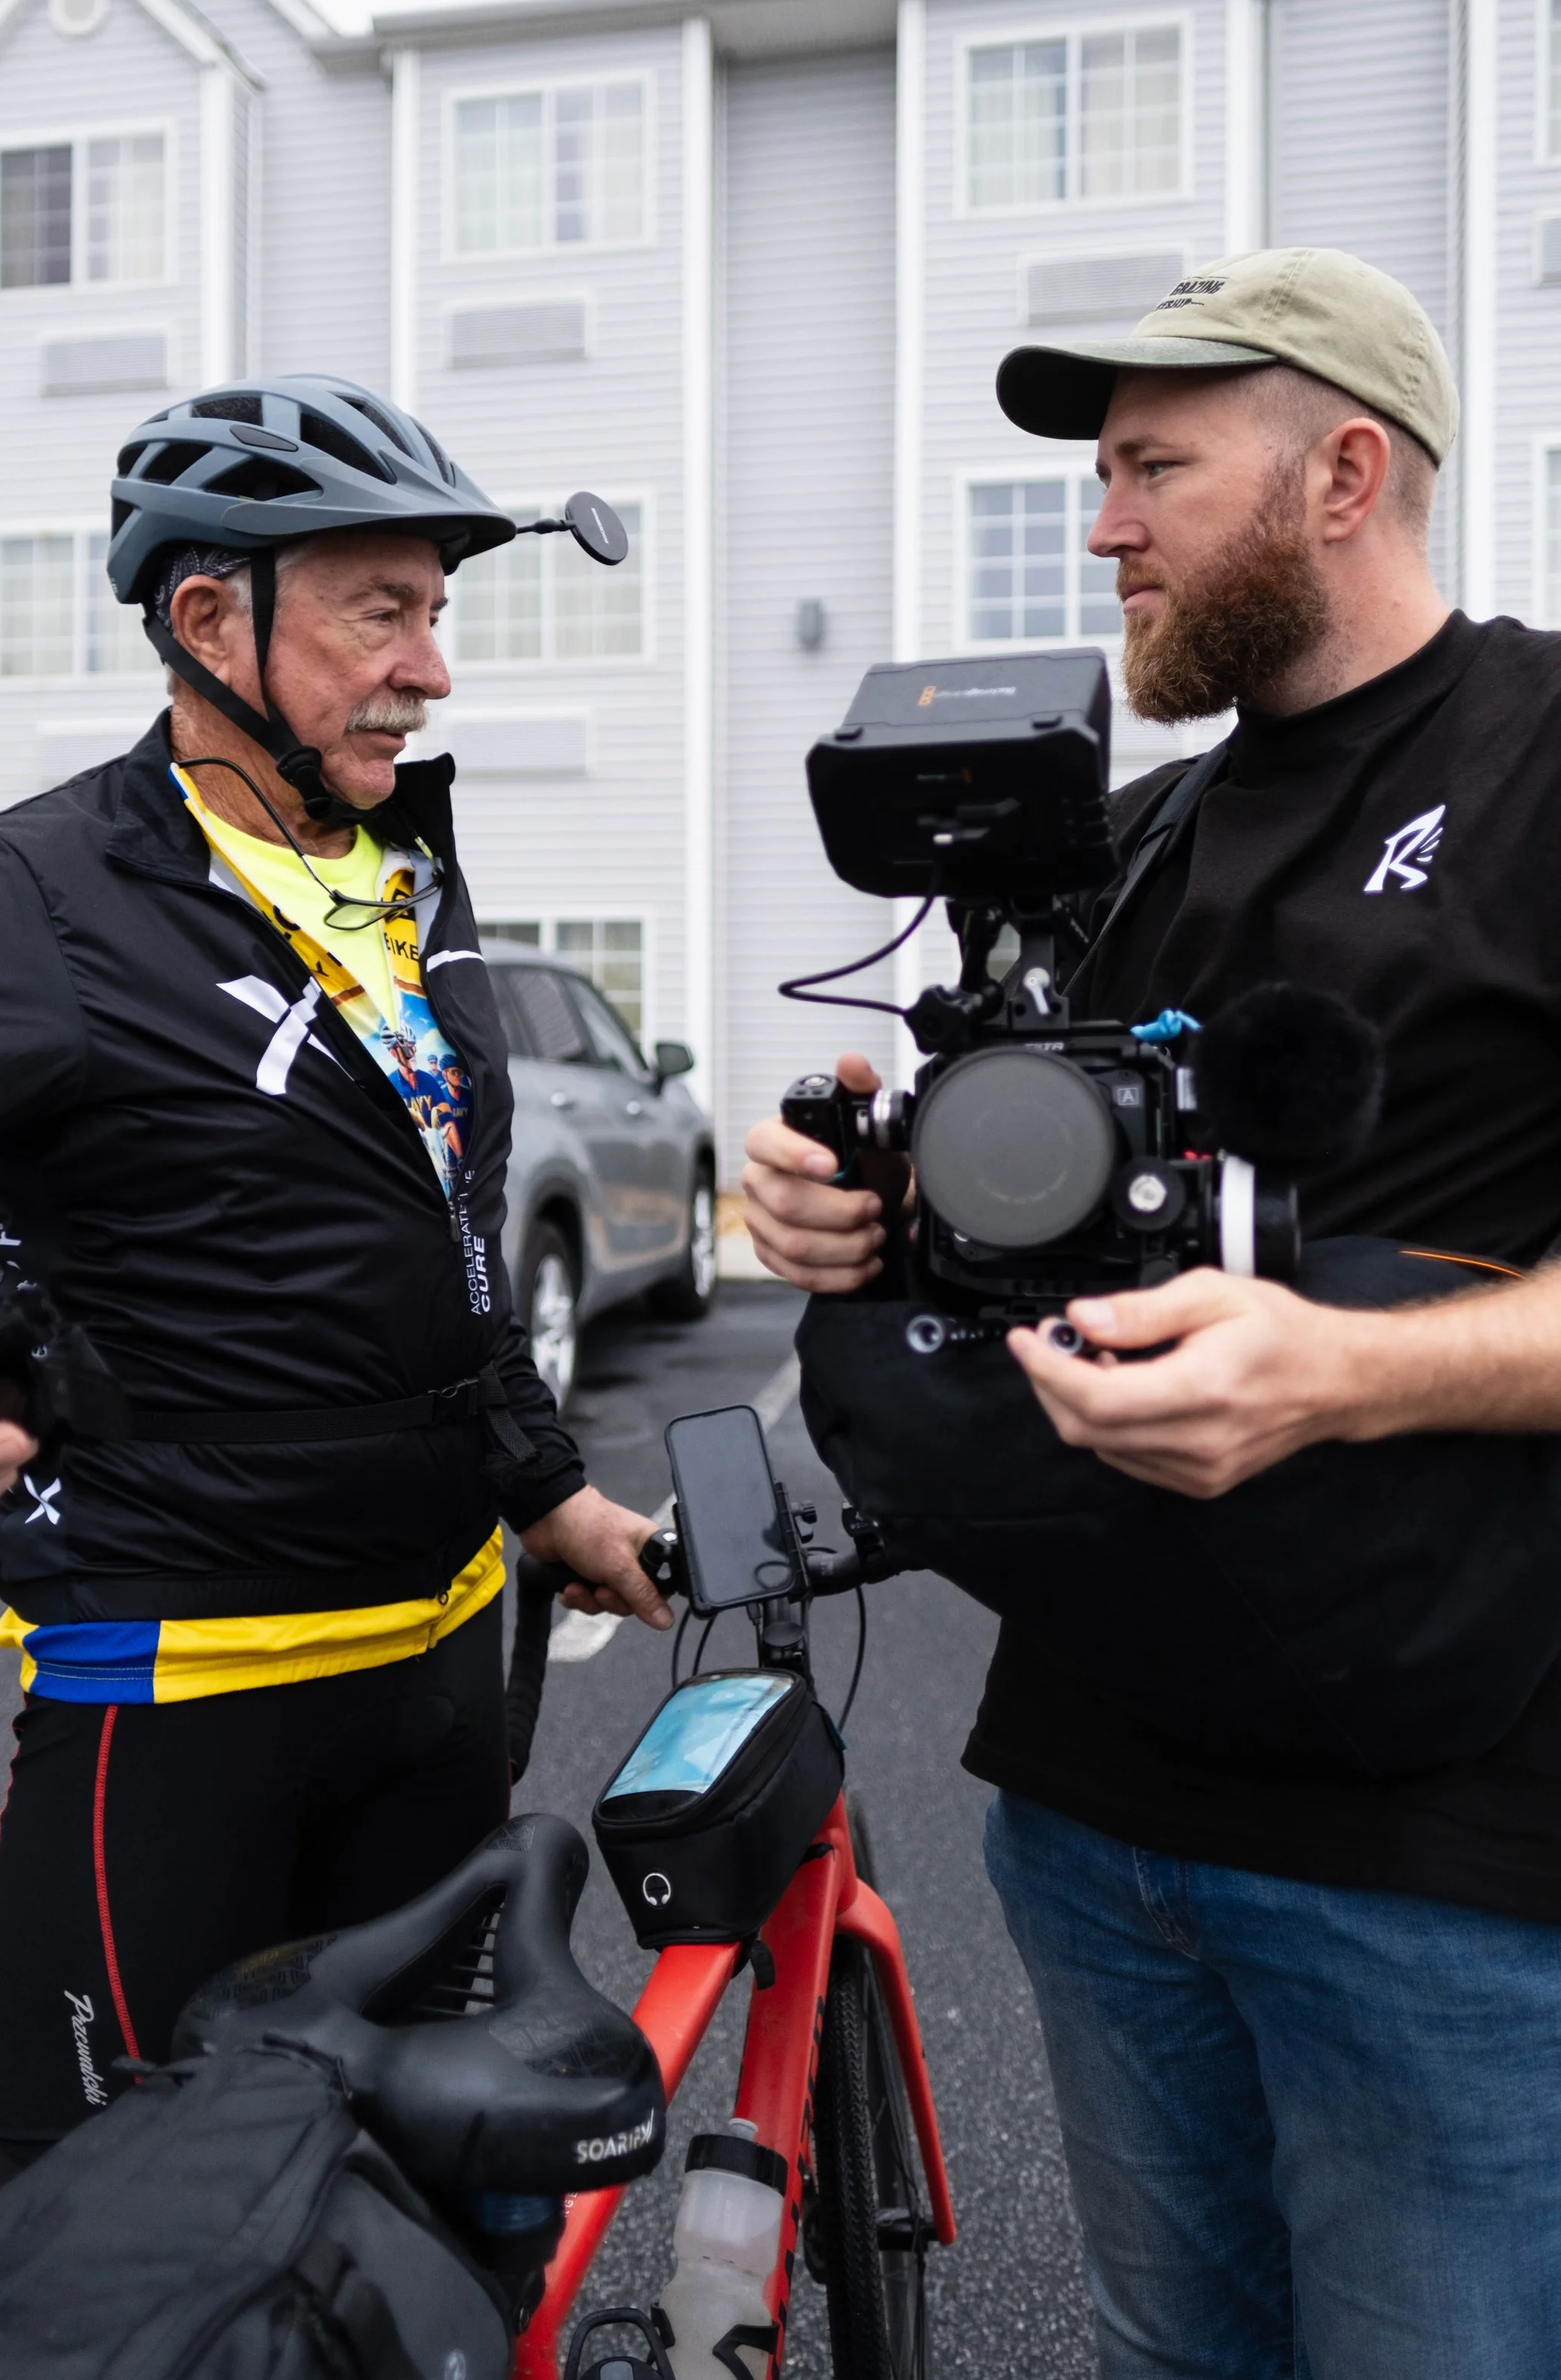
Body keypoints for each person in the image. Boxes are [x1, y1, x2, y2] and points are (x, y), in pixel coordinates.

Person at [0, 372, 667, 2188]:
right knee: (126, 2248)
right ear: (208, 618)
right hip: (181, 1696)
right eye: (382, 611)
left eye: (436, 614)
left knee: (446, 2207)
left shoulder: (402, 869)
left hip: (436, 1670)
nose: (432, 667)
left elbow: (448, 1239)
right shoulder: (39, 890)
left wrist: (547, 1489)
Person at [744, 251, 1561, 2378]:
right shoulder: (1109, 838)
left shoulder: (1545, 757)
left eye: (1147, 470)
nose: (1098, 526)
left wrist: (1357, 1367)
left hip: (1445, 1847)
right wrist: (847, 1205)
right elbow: (1021, 1221)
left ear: (1341, 474)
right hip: (1095, 1804)